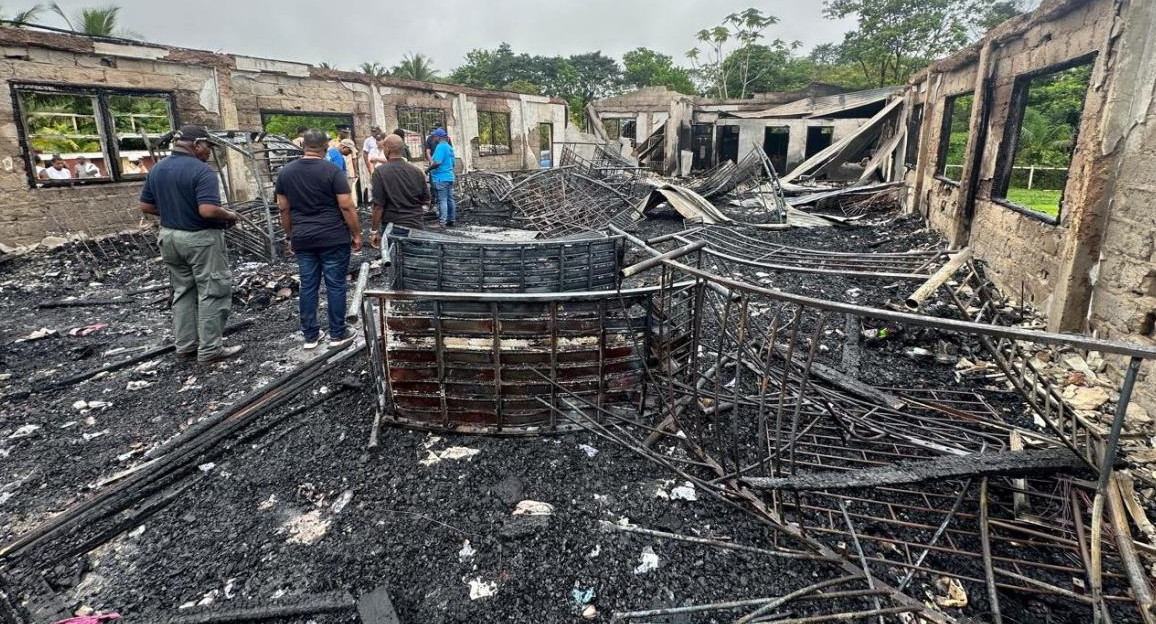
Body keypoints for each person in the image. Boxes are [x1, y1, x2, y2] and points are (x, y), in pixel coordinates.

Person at [139, 124, 243, 364]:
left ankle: (185, 346)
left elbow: (146, 206)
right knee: (213, 290)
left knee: (183, 291)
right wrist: (230, 215)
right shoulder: (202, 171)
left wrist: (174, 211)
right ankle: (210, 349)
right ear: (196, 144)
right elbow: (207, 210)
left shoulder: (158, 169)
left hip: (169, 237)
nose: (208, 151)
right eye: (207, 146)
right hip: (199, 239)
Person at [275, 128, 362, 350]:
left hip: (303, 238)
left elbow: (283, 209)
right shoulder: (332, 171)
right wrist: (356, 234)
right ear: (325, 148)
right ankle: (337, 333)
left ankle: (311, 336)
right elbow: (346, 205)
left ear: (302, 145)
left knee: (308, 285)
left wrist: (289, 235)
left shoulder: (286, 173)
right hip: (333, 236)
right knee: (335, 284)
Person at [370, 134, 430, 246]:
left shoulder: (380, 172)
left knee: (395, 260)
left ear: (387, 149)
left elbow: (378, 206)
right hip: (416, 227)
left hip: (393, 228)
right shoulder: (417, 172)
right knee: (416, 259)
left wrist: (373, 231)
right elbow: (426, 201)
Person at [427, 128, 457, 227]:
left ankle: (442, 222)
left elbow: (437, 162)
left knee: (442, 200)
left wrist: (428, 170)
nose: (433, 138)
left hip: (440, 178)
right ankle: (451, 219)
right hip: (449, 176)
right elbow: (453, 164)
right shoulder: (449, 147)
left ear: (439, 137)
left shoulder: (440, 147)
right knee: (450, 199)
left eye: (434, 136)